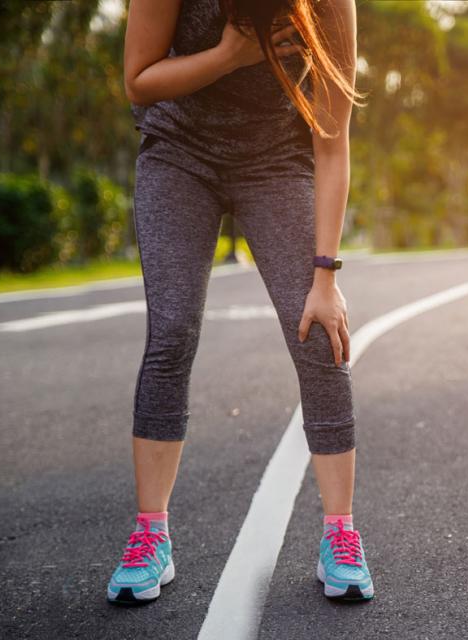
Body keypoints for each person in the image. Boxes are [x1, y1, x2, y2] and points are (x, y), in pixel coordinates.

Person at [106, 0, 373, 604]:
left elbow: (331, 144)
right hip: (180, 154)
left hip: (276, 159)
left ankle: (341, 535)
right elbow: (139, 81)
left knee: (315, 330)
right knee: (172, 331)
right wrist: (228, 55)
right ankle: (151, 534)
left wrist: (326, 276)